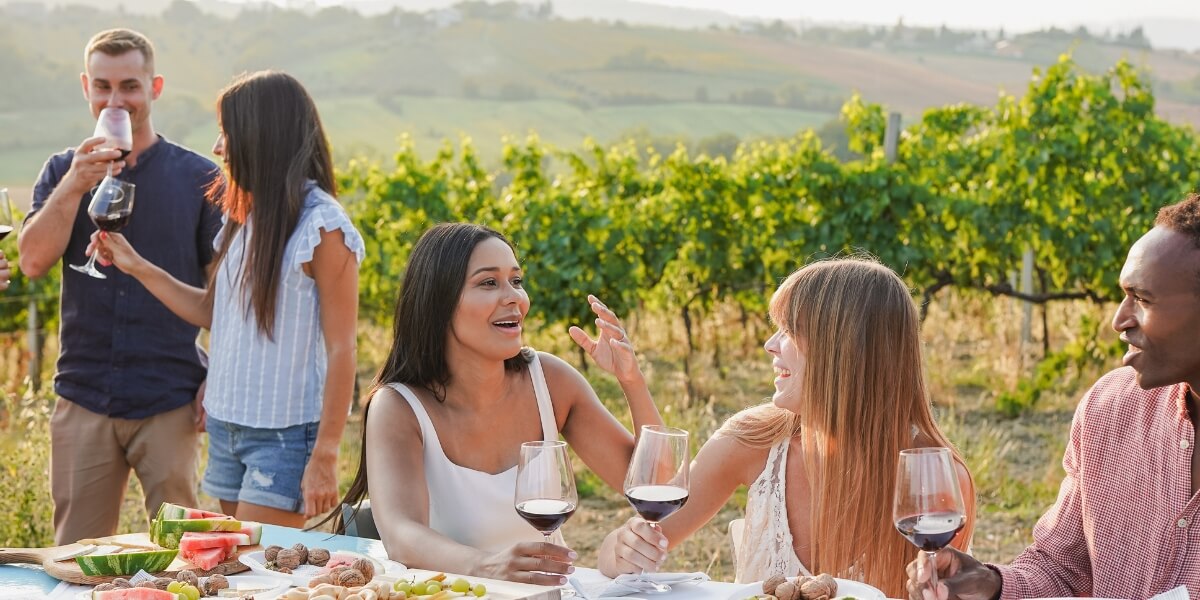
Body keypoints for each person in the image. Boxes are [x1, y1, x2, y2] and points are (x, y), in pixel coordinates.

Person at [598, 256, 976, 598]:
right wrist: (622, 550)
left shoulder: (932, 478)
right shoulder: (753, 441)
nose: (769, 345)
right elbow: (633, 550)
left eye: (790, 331)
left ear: (843, 351)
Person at [326, 222, 662, 585]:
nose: (515, 297)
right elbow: (402, 534)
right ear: (439, 302)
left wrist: (631, 380)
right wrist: (486, 566)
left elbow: (651, 483)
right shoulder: (398, 407)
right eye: (489, 283)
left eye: (516, 281)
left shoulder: (549, 380)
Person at [96, 70, 361, 527]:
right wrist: (133, 263)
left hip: (283, 436)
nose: (218, 147)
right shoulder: (245, 218)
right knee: (243, 571)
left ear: (262, 136)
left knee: (265, 571)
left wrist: (326, 453)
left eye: (227, 132)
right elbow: (210, 311)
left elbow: (343, 349)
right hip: (225, 428)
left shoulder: (323, 227)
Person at [905, 194, 1200, 600]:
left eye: (1143, 299)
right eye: (1124, 295)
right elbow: (1060, 569)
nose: (1119, 319)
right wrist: (992, 586)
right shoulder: (1108, 408)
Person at [17, 28, 220, 545]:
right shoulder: (63, 170)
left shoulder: (199, 178)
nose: (115, 100)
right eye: (103, 87)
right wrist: (74, 185)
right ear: (86, 88)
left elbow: (226, 300)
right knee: (76, 559)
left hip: (169, 398)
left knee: (182, 552)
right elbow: (33, 260)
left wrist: (216, 375)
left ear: (155, 87)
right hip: (83, 395)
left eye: (129, 86)